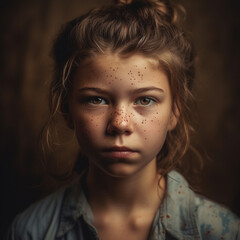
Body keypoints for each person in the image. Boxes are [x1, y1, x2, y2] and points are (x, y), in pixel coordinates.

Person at [5, 0, 240, 239]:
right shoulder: (31, 231)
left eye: (146, 100)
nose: (120, 123)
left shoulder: (220, 231)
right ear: (67, 109)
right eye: (96, 100)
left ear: (175, 112)